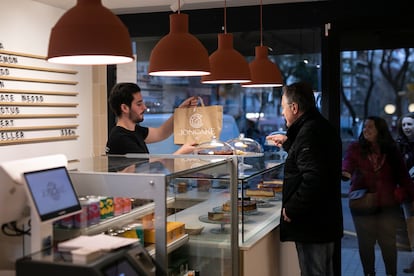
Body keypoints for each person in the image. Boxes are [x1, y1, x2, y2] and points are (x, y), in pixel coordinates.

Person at [266, 82, 343, 276]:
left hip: (313, 224)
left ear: (294, 108)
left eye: (283, 107)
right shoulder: (317, 127)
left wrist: (292, 208)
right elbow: (314, 161)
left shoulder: (309, 133)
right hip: (323, 222)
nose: (282, 113)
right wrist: (289, 143)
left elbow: (314, 178)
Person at [342, 116, 414, 276]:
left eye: (370, 127)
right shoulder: (355, 148)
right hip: (362, 204)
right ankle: (369, 273)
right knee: (366, 244)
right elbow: (348, 163)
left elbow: (403, 176)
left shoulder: (391, 150)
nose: (365, 130)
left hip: (387, 205)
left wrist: (408, 195)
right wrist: (345, 172)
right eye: (365, 127)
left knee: (388, 244)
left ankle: (391, 273)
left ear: (380, 131)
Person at [105, 82, 197, 155]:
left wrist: (180, 111)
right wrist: (182, 152)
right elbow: (143, 169)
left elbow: (161, 133)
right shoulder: (121, 138)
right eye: (139, 104)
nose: (144, 107)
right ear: (125, 108)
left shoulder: (135, 130)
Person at [396, 112, 414, 273]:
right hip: (407, 193)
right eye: (404, 125)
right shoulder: (399, 145)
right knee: (411, 227)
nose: (407, 127)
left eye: (410, 124)